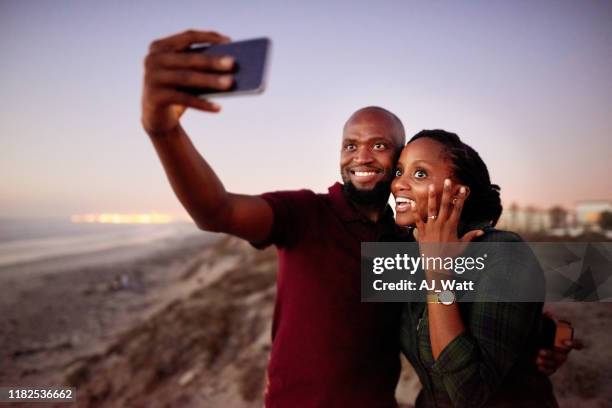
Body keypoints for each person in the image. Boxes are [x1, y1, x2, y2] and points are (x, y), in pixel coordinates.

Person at [141, 29, 579, 407]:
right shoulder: (308, 215)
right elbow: (215, 210)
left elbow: (544, 281)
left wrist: (549, 331)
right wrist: (163, 131)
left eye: (381, 146)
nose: (361, 156)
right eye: (350, 145)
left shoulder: (414, 246)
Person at [392, 130, 564, 407]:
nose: (399, 183)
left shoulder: (503, 253)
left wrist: (438, 275)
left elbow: (470, 395)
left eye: (420, 173)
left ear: (459, 192)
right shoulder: (406, 258)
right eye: (399, 171)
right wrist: (548, 331)